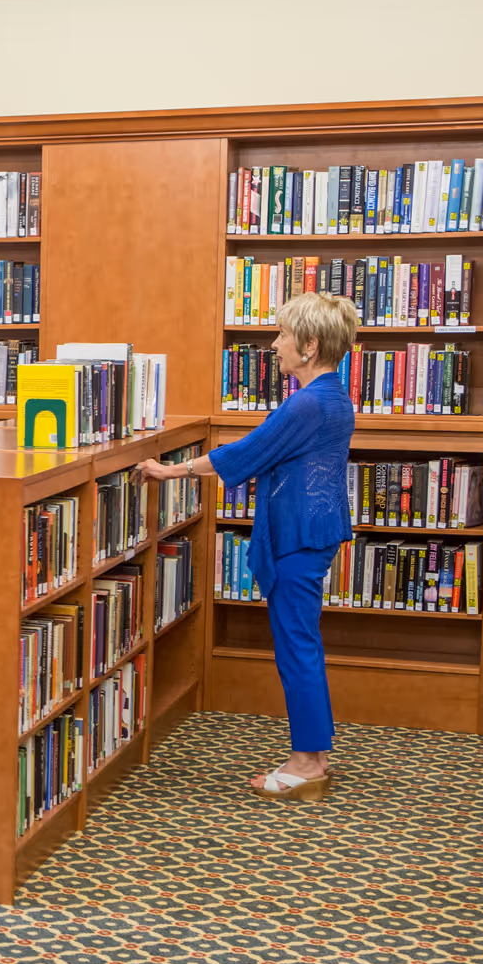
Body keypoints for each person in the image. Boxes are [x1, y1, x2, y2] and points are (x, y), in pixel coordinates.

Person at [139, 291, 356, 800]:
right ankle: (313, 754)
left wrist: (170, 470)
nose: (274, 344)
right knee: (302, 644)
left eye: (283, 335)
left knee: (296, 648)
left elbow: (246, 453)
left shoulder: (307, 403)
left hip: (299, 536)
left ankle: (307, 764)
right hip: (315, 530)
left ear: (309, 345)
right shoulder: (334, 394)